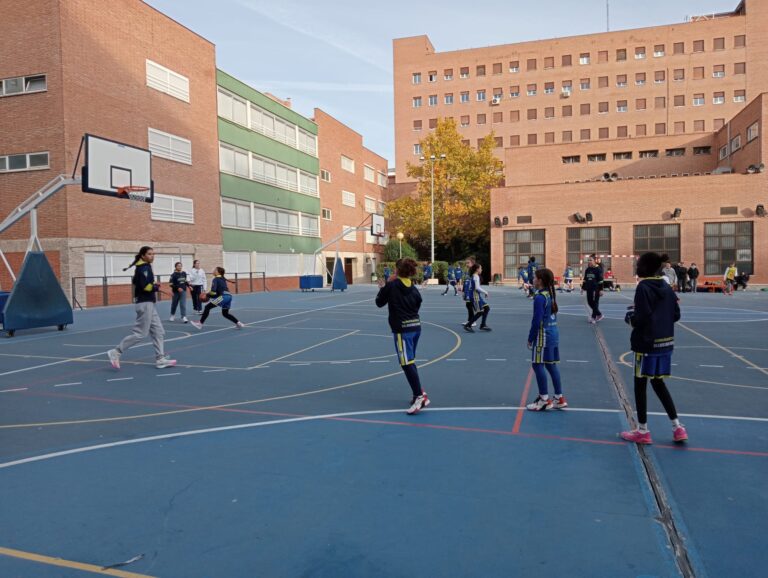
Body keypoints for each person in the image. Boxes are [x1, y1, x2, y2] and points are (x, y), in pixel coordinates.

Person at [621, 252, 687, 445]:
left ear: (643, 267)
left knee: (640, 385)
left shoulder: (643, 287)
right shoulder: (666, 286)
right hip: (665, 343)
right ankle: (677, 427)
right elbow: (675, 314)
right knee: (659, 383)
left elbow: (642, 319)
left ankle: (642, 430)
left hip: (646, 344)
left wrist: (630, 317)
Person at [375, 258, 430, 415]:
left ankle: (420, 396)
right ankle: (418, 393)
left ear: (397, 271)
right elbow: (418, 302)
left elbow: (379, 303)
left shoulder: (392, 286)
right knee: (410, 361)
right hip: (416, 328)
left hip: (402, 330)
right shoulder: (413, 288)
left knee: (406, 363)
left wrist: (382, 288)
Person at [107, 246, 176, 370]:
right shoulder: (143, 268)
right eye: (149, 254)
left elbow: (143, 284)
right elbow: (145, 286)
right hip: (145, 304)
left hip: (149, 303)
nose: (152, 256)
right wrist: (159, 288)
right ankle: (116, 352)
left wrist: (155, 285)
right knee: (140, 334)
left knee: (158, 331)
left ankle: (160, 359)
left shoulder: (145, 267)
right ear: (143, 255)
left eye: (153, 254)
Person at [525, 268, 567, 411]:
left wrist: (531, 337)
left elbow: (536, 320)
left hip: (543, 336)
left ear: (540, 280)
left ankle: (544, 399)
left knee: (537, 365)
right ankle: (559, 397)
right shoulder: (550, 294)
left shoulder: (539, 297)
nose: (533, 279)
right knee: (551, 365)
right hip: (553, 333)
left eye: (535, 277)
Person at [463, 263, 491, 332]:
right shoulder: (475, 276)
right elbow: (477, 287)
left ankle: (483, 325)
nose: (481, 269)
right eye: (481, 268)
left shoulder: (475, 276)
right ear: (477, 269)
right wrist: (486, 292)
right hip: (475, 296)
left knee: (487, 308)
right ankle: (468, 325)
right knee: (480, 312)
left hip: (477, 295)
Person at [581, 256, 604, 323]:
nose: (589, 261)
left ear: (594, 261)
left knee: (595, 302)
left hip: (596, 289)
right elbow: (585, 279)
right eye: (588, 260)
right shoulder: (588, 269)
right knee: (589, 302)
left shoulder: (598, 269)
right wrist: (583, 288)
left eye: (590, 260)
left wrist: (601, 289)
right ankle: (599, 314)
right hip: (589, 288)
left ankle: (593, 317)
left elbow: (601, 280)